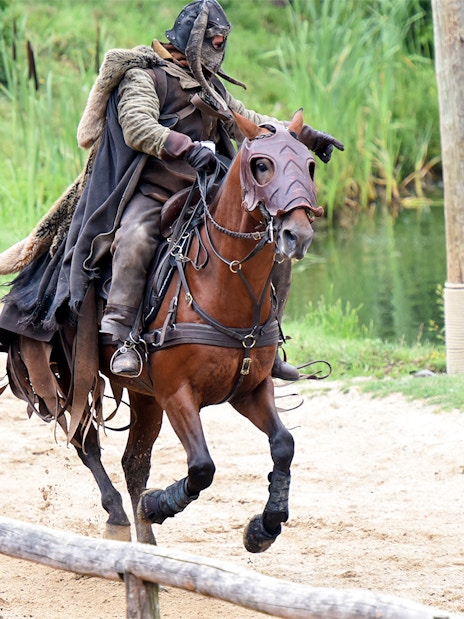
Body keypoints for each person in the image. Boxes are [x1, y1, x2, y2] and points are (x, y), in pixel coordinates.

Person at [0, 0, 343, 381]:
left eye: (221, 41)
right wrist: (185, 146)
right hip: (154, 192)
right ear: (193, 39)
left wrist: (304, 135)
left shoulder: (210, 87)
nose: (218, 48)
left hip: (205, 195)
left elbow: (252, 122)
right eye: (213, 40)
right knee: (135, 238)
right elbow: (137, 125)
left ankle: (270, 340)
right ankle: (123, 333)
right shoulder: (144, 76)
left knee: (270, 244)